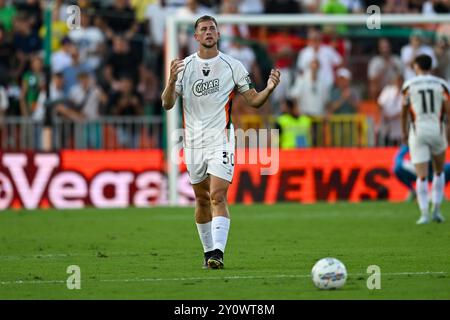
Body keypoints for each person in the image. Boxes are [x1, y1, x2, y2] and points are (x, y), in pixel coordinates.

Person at [161, 15, 280, 269]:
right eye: (203, 29)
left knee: (217, 195)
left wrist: (268, 88)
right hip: (192, 143)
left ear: (218, 34)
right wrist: (171, 80)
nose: (208, 32)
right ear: (195, 36)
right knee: (201, 199)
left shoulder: (232, 65)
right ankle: (208, 254)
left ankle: (218, 253)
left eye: (212, 29)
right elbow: (167, 103)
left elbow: (254, 100)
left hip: (221, 141)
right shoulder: (183, 67)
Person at [401, 54, 450, 224]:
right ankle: (436, 210)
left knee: (421, 176)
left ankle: (424, 214)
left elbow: (405, 110)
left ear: (416, 66)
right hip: (437, 130)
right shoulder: (442, 84)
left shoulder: (409, 84)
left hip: (418, 131)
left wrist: (403, 132)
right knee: (438, 171)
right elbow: (448, 110)